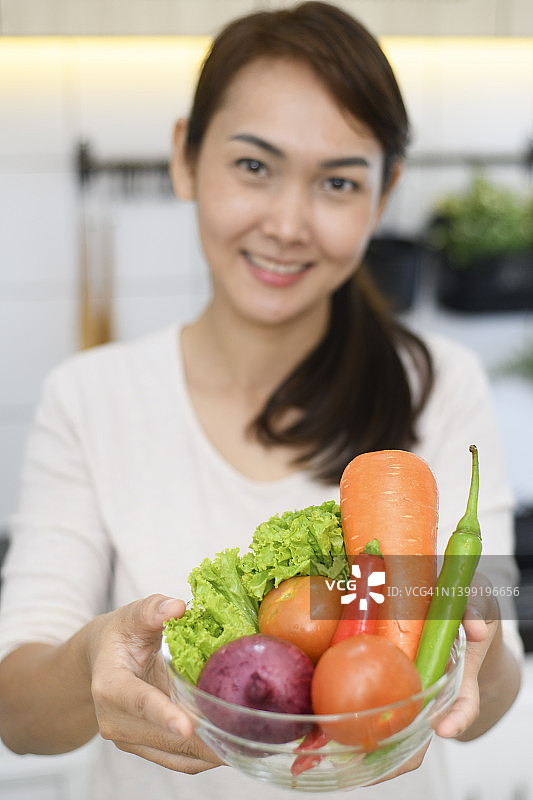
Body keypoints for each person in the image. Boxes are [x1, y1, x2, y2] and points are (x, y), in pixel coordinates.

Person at [0, 3, 522, 799]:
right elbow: (15, 709)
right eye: (253, 166)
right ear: (185, 157)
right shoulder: (90, 398)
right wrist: (93, 656)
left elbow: (496, 685)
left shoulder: (440, 383)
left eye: (338, 181)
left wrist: (473, 638)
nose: (285, 223)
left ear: (383, 197)